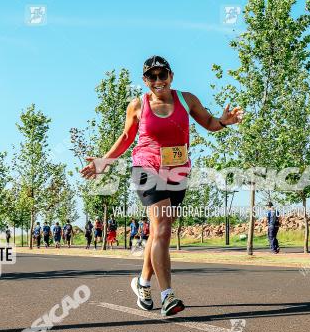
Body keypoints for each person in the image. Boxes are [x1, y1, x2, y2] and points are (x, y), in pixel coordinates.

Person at [81, 55, 243, 316]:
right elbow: (126, 137)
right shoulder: (138, 105)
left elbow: (210, 123)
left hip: (178, 169)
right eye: (152, 77)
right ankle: (168, 296)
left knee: (160, 231)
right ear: (145, 81)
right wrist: (105, 161)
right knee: (163, 226)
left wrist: (225, 121)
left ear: (171, 76)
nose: (158, 81)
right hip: (146, 167)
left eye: (162, 75)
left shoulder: (186, 100)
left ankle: (142, 283)